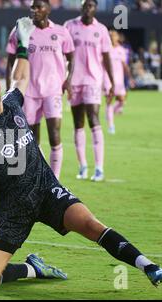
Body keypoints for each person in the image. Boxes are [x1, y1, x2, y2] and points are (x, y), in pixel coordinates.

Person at [0, 17, 162, 287]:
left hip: (46, 190)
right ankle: (34, 268)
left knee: (91, 225)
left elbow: (20, 76)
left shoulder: (13, 102)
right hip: (10, 207)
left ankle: (148, 265)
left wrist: (22, 43)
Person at [5, 0, 74, 179]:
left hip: (53, 90)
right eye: (32, 7)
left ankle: (55, 180)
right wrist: (9, 89)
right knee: (32, 140)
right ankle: (44, 177)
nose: (34, 10)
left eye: (39, 7)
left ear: (48, 10)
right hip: (28, 91)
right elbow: (11, 62)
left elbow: (71, 58)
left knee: (55, 134)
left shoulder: (61, 32)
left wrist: (68, 80)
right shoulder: (21, 30)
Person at [64, 0, 114, 182]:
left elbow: (107, 56)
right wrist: (64, 78)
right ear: (81, 8)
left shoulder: (101, 29)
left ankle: (99, 168)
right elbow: (62, 54)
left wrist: (112, 82)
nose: (87, 9)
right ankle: (83, 166)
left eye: (91, 6)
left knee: (93, 118)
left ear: (95, 9)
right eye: (85, 6)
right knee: (78, 123)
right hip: (74, 80)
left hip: (93, 80)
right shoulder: (69, 26)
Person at [103, 30, 134, 134]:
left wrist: (130, 78)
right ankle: (111, 126)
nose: (112, 37)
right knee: (109, 100)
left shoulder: (122, 50)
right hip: (108, 79)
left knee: (121, 100)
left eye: (114, 36)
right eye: (110, 36)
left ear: (117, 37)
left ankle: (110, 112)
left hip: (119, 80)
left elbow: (125, 65)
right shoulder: (105, 49)